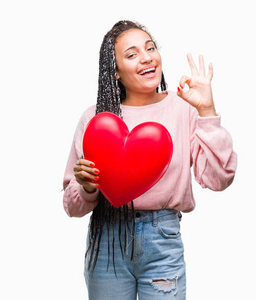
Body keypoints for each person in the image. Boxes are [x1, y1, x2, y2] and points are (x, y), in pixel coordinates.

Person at [62, 20, 237, 300]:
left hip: (162, 240)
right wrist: (87, 186)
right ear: (115, 71)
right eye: (132, 54)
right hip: (107, 242)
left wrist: (206, 110)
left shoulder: (185, 109)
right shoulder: (96, 119)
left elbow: (219, 179)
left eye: (150, 48)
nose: (146, 58)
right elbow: (72, 207)